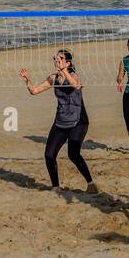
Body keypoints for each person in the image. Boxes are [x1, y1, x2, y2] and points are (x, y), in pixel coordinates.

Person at [21, 50, 98, 193]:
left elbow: (75, 84)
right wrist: (28, 81)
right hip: (61, 120)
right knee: (49, 155)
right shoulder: (53, 78)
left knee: (73, 154)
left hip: (78, 121)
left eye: (60, 58)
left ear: (68, 63)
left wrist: (64, 70)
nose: (57, 60)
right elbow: (34, 91)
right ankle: (56, 187)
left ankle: (91, 183)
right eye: (55, 58)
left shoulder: (74, 76)